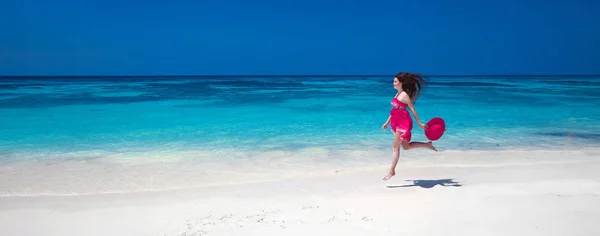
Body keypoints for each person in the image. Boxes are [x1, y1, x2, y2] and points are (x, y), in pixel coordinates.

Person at [381, 72, 437, 181]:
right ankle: (427, 145)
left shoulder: (404, 95)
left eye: (395, 81)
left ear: (401, 83)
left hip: (403, 123)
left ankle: (392, 171)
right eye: (393, 81)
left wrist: (420, 124)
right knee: (406, 147)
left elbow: (412, 110)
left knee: (395, 147)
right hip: (396, 121)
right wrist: (387, 122)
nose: (393, 83)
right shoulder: (397, 94)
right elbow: (394, 111)